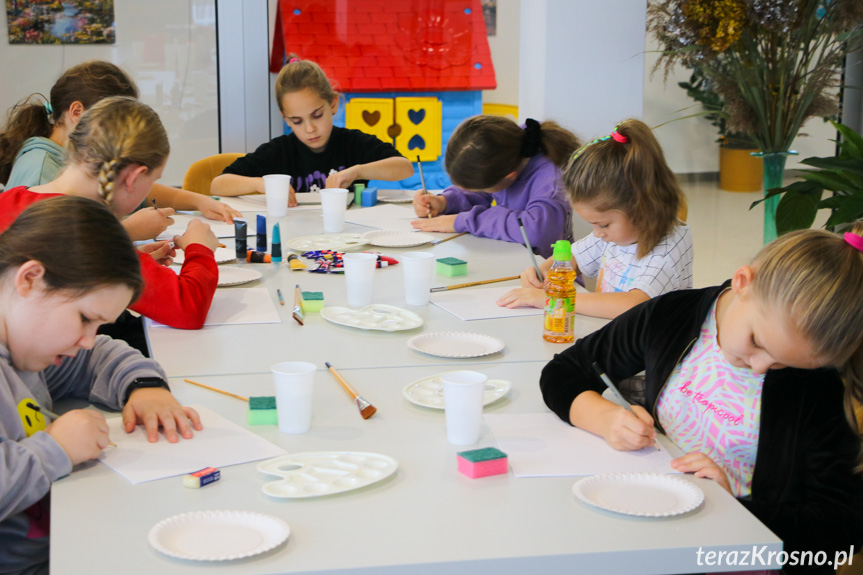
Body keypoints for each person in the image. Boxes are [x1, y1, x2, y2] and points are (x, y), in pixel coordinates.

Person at [540, 226, 863, 574]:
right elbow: (563, 372)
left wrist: (736, 509)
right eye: (756, 342)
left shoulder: (816, 387)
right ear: (742, 282)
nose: (758, 368)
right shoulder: (673, 316)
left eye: (783, 363)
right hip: (652, 523)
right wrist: (602, 418)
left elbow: (843, 526)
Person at [0, 196, 203, 575]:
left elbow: (95, 357)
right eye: (84, 319)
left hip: (68, 536)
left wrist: (143, 385)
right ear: (29, 279)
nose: (88, 340)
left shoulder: (27, 345)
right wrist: (55, 448)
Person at [0, 96, 219, 332]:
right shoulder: (92, 233)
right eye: (154, 179)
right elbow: (188, 309)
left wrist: (126, 259)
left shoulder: (9, 199)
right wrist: (200, 249)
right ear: (133, 177)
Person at [0, 60, 239, 237]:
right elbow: (52, 248)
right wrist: (128, 232)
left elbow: (136, 185)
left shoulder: (76, 159)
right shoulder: (40, 169)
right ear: (76, 113)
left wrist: (197, 201)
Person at [497, 119, 693, 318]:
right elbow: (571, 258)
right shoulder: (615, 235)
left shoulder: (666, 251)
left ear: (642, 208)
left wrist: (554, 298)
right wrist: (542, 271)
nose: (597, 234)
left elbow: (633, 305)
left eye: (603, 224)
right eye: (595, 225)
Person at [212, 54, 414, 203]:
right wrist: (258, 184)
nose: (309, 128)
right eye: (297, 121)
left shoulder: (352, 143)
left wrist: (357, 172)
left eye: (317, 115)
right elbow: (218, 185)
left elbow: (404, 168)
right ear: (286, 119)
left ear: (333, 104)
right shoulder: (279, 151)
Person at [410, 115, 579, 258]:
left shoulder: (551, 181)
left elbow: (536, 231)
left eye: (479, 187)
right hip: (512, 262)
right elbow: (482, 192)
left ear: (509, 176)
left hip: (551, 283)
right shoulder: (508, 152)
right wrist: (444, 202)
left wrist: (464, 221)